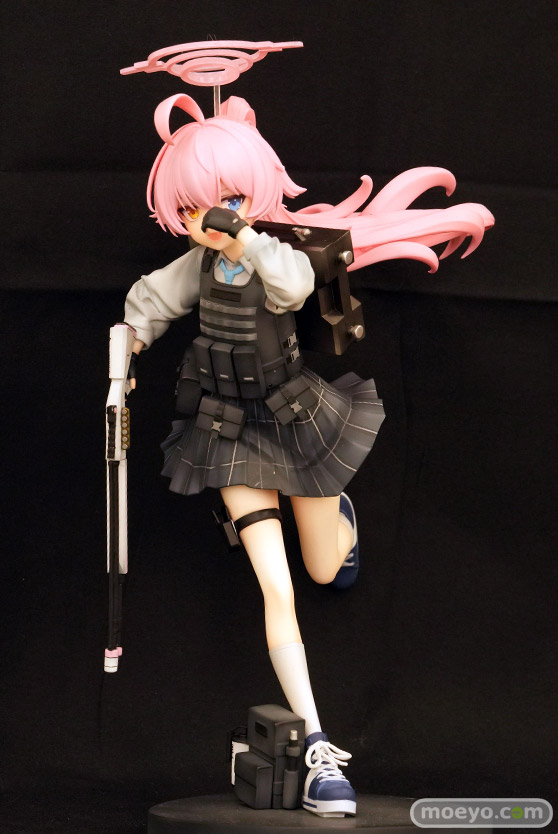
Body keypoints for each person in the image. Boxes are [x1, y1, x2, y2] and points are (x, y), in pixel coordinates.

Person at [122, 91, 493, 817]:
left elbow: (293, 285)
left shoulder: (272, 256)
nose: (211, 217)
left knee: (323, 567)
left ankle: (337, 519)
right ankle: (319, 745)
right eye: (194, 207)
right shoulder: (195, 267)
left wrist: (245, 237)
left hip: (295, 420)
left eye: (228, 199)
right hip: (227, 430)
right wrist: (126, 346)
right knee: (278, 586)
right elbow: (150, 300)